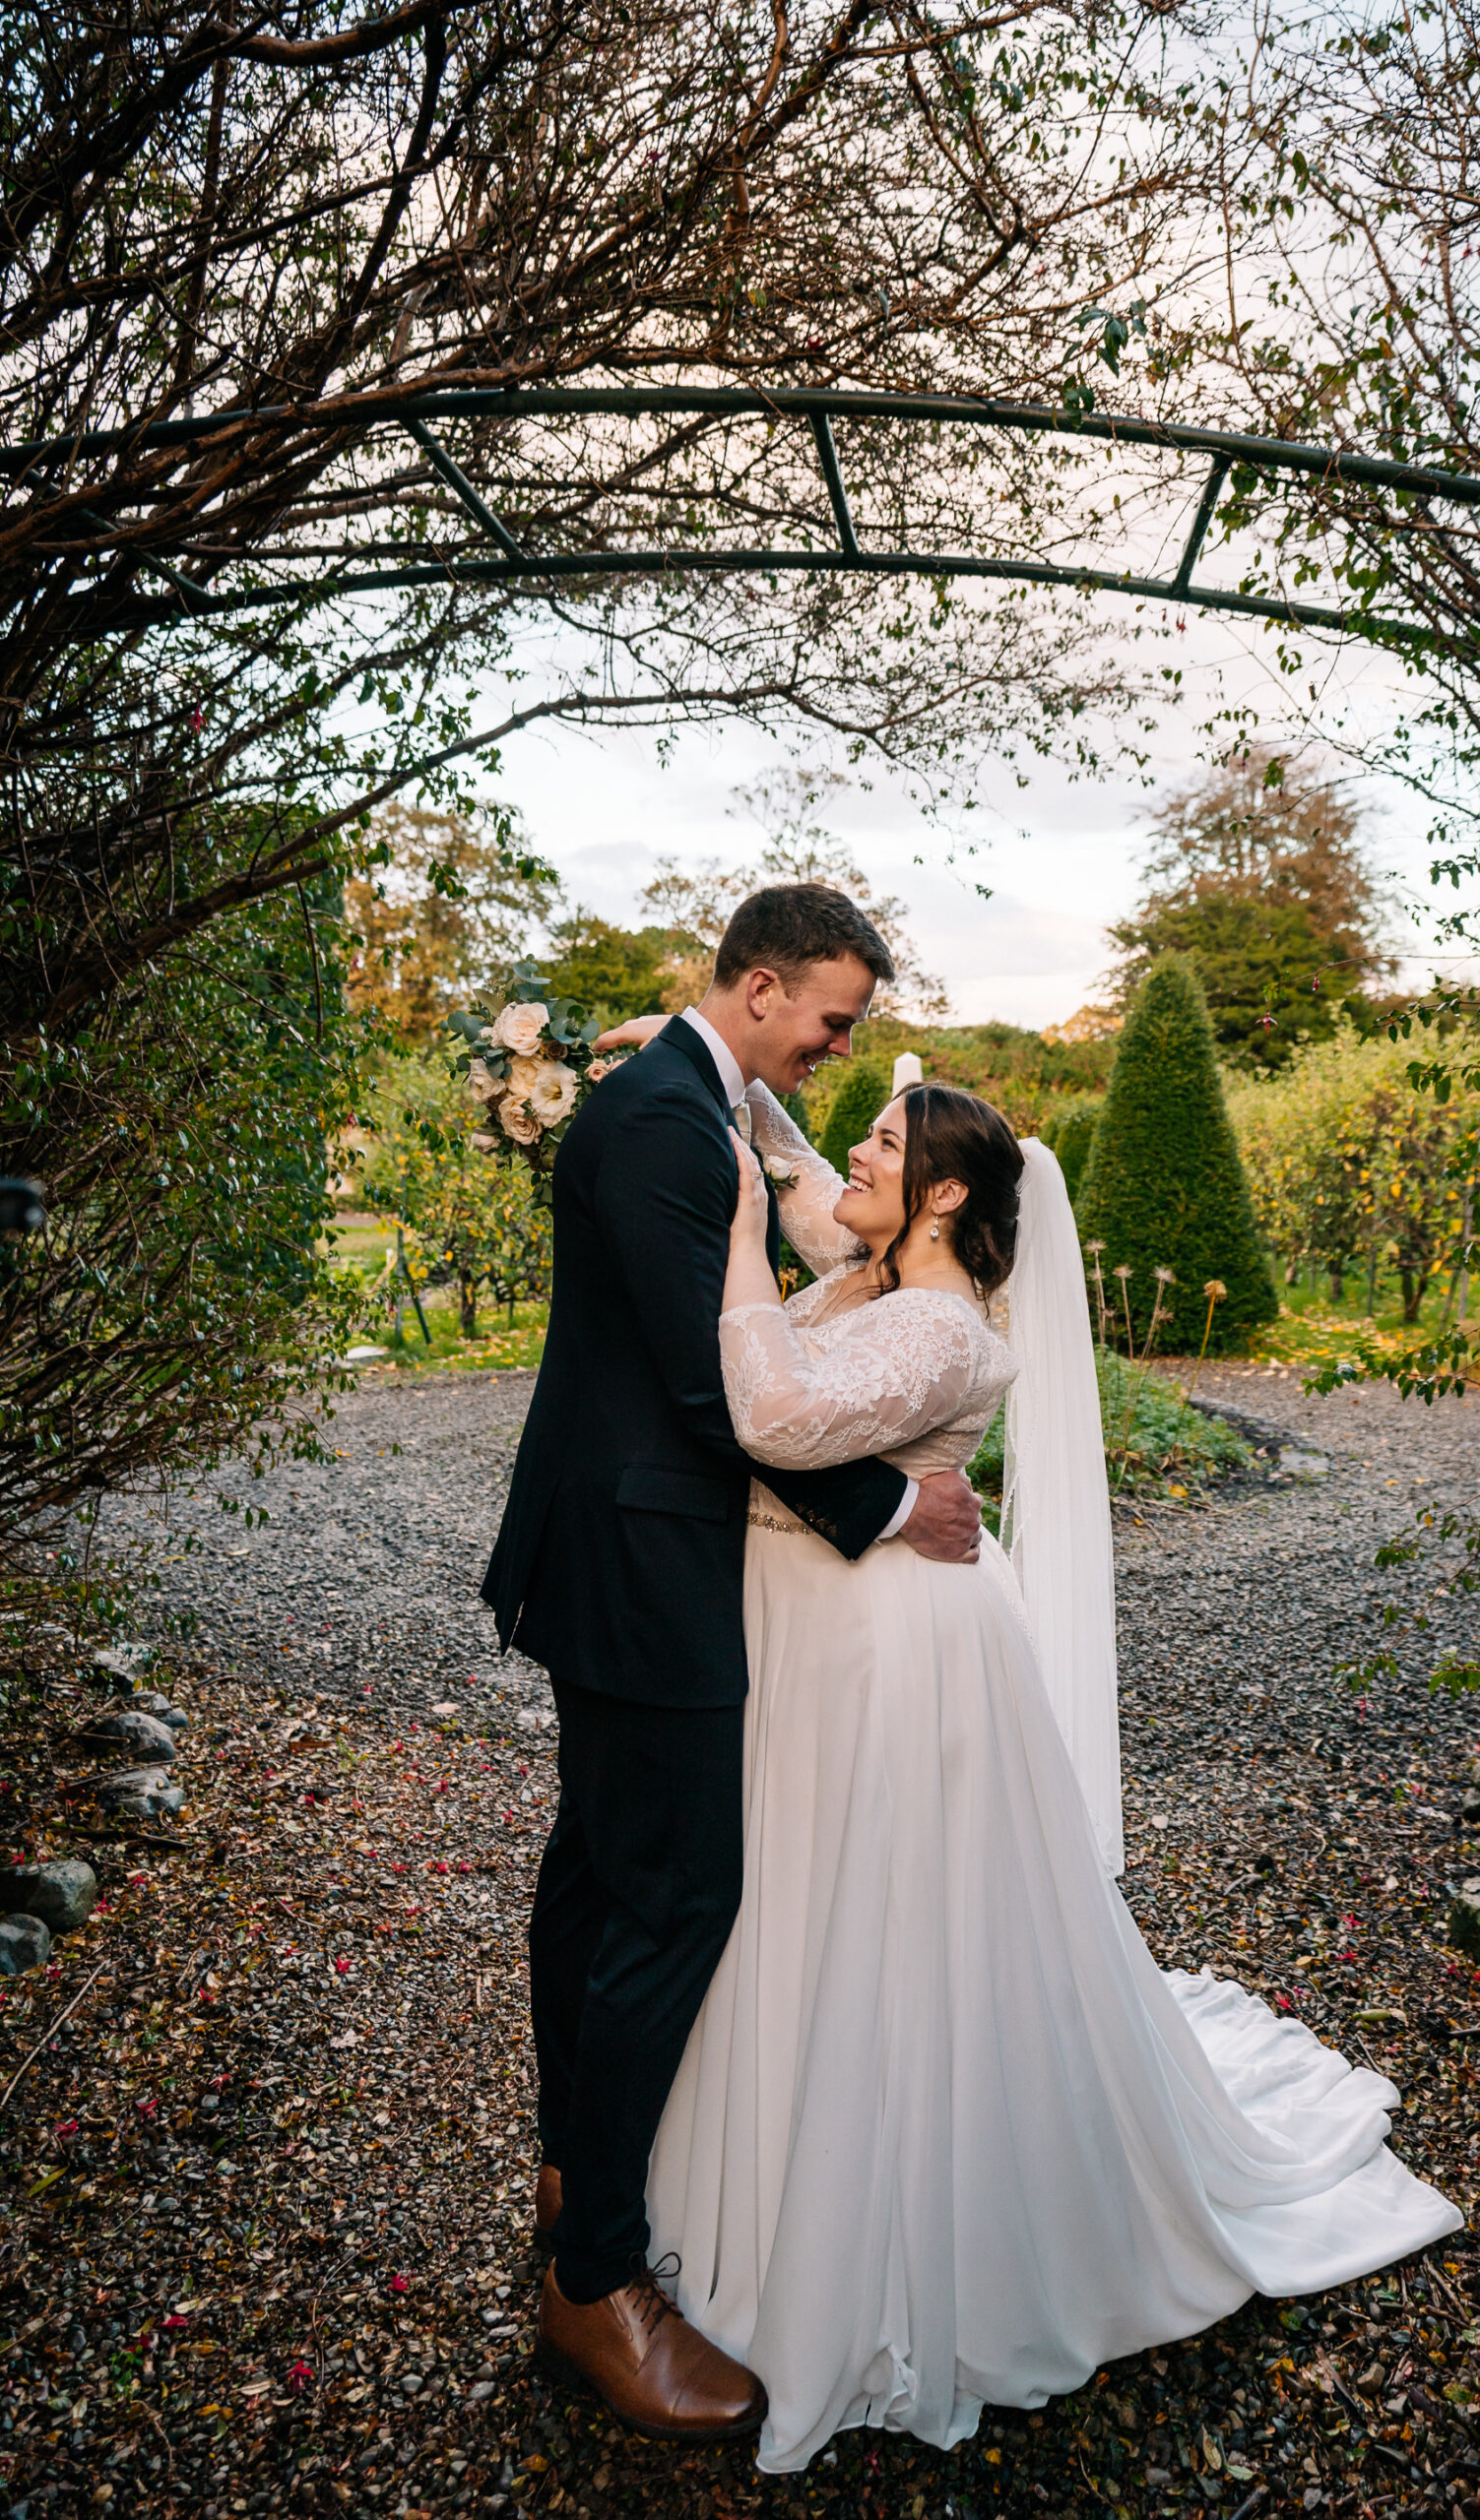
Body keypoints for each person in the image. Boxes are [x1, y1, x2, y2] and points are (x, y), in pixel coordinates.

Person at [582, 1046, 1462, 2474]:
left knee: (879, 1922)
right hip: (818, 1622)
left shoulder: (937, 1329)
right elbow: (815, 1191)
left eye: (879, 1145)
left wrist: (738, 1233)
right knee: (792, 1901)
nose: (846, 1162)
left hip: (886, 1646)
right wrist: (729, 1088)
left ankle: (878, 2235)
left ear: (936, 1198)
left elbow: (770, 1416)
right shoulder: (881, 1277)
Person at [481, 886, 984, 2440]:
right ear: (761, 987)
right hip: (642, 1560)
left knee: (599, 1875)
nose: (843, 1048)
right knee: (677, 1891)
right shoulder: (651, 1125)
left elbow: (772, 1185)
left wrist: (731, 1086)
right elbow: (710, 1388)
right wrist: (889, 1502)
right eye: (832, 1018)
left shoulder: (697, 1095)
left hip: (637, 1548)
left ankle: (576, 2166)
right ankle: (598, 2279)